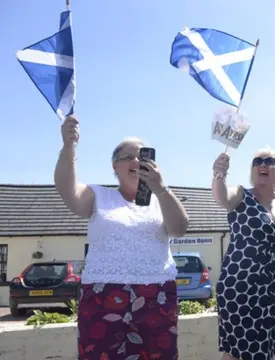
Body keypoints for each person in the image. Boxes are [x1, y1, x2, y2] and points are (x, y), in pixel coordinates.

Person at [54, 116, 189, 360]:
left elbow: (179, 228)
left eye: (142, 157)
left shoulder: (162, 199)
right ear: (115, 166)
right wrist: (68, 146)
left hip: (156, 295)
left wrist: (161, 188)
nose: (136, 161)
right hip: (102, 295)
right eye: (128, 157)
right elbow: (67, 190)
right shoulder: (98, 195)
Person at [212, 149, 275, 360]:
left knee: (265, 347)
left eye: (269, 161)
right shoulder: (241, 194)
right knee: (235, 350)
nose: (262, 164)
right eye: (257, 161)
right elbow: (221, 198)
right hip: (240, 284)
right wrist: (219, 174)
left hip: (274, 288)